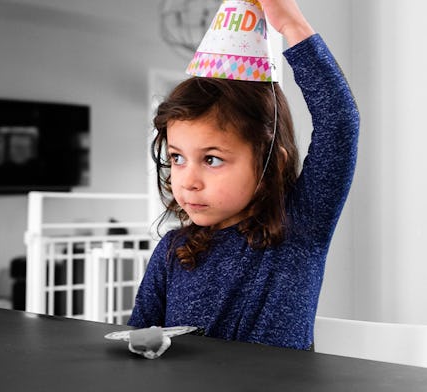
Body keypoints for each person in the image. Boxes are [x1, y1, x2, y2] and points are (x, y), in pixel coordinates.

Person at [128, 0, 359, 350]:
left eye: (212, 160)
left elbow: (339, 123)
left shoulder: (299, 228)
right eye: (177, 157)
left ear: (272, 165)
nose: (188, 180)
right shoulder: (171, 252)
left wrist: (293, 27)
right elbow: (140, 340)